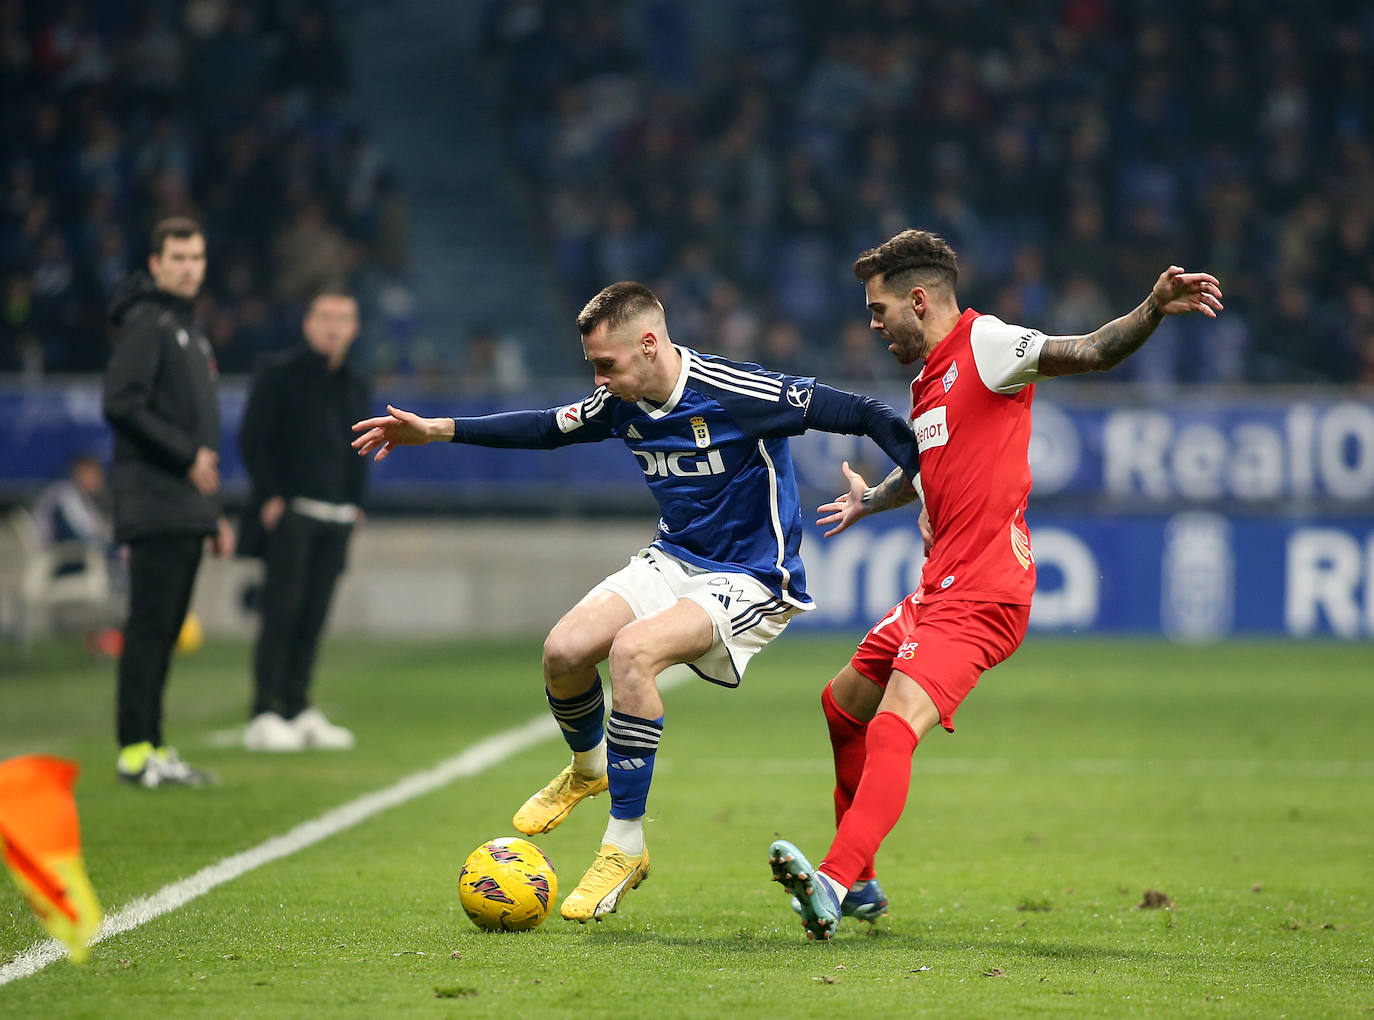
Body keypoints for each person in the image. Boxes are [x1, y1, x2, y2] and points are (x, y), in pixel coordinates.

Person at [351, 281, 922, 923]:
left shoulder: (739, 392)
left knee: (632, 653)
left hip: (752, 576)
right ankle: (590, 767)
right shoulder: (620, 401)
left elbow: (867, 413)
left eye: (606, 364)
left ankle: (625, 845)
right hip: (673, 559)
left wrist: (922, 483)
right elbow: (544, 428)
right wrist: (438, 429)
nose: (597, 378)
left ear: (649, 345)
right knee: (563, 652)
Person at [768, 229, 1224, 940]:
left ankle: (832, 878)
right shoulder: (926, 380)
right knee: (842, 705)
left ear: (919, 300)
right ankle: (859, 883)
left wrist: (1153, 308)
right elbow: (927, 469)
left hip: (983, 595)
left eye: (879, 308)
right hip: (938, 587)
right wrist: (872, 500)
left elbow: (1092, 351)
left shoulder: (989, 346)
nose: (873, 323)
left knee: (894, 725)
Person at [103, 217, 234, 789]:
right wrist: (185, 457)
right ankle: (135, 750)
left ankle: (151, 745)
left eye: (197, 257)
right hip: (154, 502)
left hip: (182, 506)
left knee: (163, 628)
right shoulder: (149, 324)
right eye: (177, 257)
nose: (188, 267)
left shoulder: (186, 328)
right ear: (155, 264)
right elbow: (121, 404)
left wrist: (211, 513)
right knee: (149, 628)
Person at [238, 287, 369, 752]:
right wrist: (270, 494)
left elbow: (363, 448)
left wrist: (356, 502)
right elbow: (254, 438)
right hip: (292, 512)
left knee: (313, 617)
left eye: (344, 317)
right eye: (325, 316)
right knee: (281, 614)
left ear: (354, 328)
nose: (334, 326)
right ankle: (264, 711)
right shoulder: (278, 374)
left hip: (336, 516)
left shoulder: (356, 381)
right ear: (308, 323)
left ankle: (297, 706)